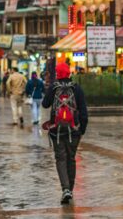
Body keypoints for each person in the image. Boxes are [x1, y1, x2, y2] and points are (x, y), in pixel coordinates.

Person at [42, 63, 88, 205]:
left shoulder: (54, 87)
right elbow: (84, 112)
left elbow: (45, 104)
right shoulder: (76, 88)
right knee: (71, 158)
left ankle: (65, 189)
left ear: (58, 73)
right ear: (68, 72)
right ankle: (70, 190)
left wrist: (50, 90)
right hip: (73, 130)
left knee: (60, 158)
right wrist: (82, 129)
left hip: (57, 130)